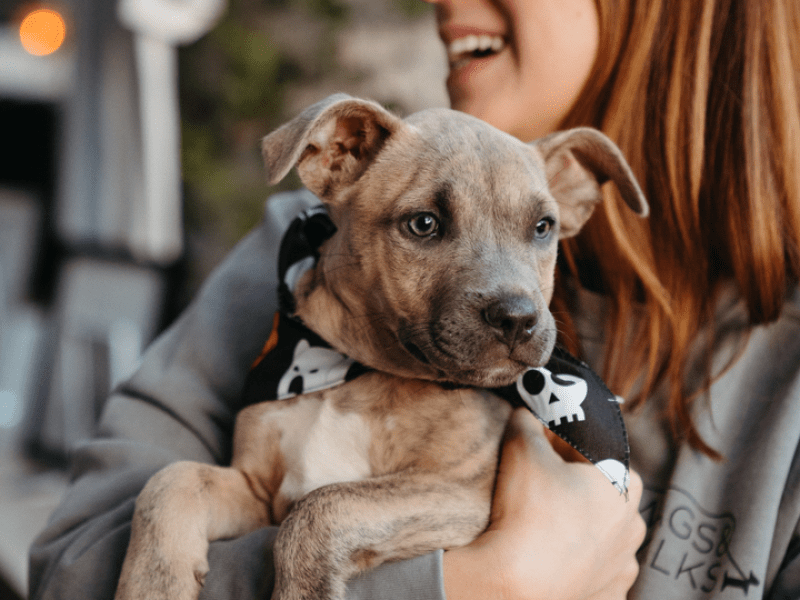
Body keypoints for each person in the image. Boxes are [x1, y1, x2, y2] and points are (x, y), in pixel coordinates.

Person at [29, 0, 800, 598]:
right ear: (332, 162)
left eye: (539, 230)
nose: (512, 300)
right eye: (426, 225)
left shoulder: (783, 384)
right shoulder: (300, 262)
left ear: (574, 196)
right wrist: (472, 587)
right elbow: (70, 567)